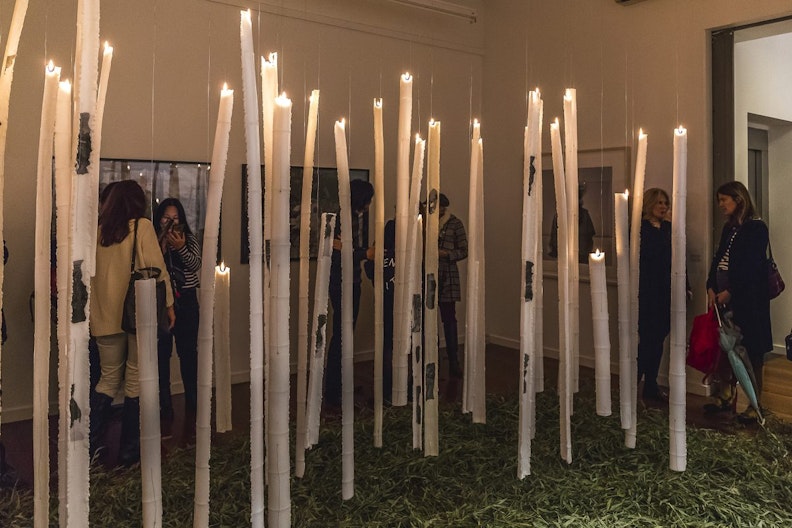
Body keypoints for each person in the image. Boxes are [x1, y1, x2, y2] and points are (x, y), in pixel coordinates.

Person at [90, 180, 175, 465]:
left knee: (107, 379)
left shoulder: (98, 232)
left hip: (103, 317)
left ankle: (89, 448)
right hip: (136, 315)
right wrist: (170, 306)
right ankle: (129, 452)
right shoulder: (141, 227)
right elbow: (155, 270)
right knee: (136, 379)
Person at [706, 181, 772, 423]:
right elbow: (719, 258)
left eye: (724, 200)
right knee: (725, 348)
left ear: (738, 199)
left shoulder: (756, 228)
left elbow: (751, 268)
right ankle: (725, 395)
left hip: (749, 302)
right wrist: (711, 285)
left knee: (752, 352)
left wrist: (731, 291)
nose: (721, 205)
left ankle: (755, 404)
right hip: (725, 300)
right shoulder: (729, 229)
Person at [153, 198, 201, 438]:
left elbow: (195, 265)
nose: (170, 223)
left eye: (175, 218)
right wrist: (161, 249)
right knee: (162, 355)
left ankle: (193, 399)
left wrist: (181, 247)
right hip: (162, 304)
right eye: (165, 218)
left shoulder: (189, 239)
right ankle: (164, 405)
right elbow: (151, 270)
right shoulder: (152, 241)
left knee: (188, 353)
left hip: (188, 302)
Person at [325, 179, 375, 407]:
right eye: (369, 200)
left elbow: (349, 249)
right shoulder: (343, 219)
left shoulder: (359, 217)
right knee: (341, 335)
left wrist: (359, 252)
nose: (371, 205)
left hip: (353, 280)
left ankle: (341, 384)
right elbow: (336, 253)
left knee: (346, 334)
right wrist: (365, 252)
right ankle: (333, 392)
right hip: (341, 283)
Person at [637, 188, 672, 403]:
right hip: (648, 290)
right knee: (647, 340)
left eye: (665, 203)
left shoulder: (668, 228)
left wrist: (684, 285)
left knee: (659, 338)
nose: (663, 207)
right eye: (659, 202)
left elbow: (676, 258)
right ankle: (636, 383)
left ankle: (651, 383)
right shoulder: (640, 229)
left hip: (665, 290)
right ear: (649, 204)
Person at [364, 218, 396, 401]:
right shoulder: (408, 253)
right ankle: (399, 384)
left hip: (384, 303)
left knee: (387, 345)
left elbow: (369, 270)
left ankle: (386, 386)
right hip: (401, 307)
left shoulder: (378, 255)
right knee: (399, 344)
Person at [437, 193, 467, 378]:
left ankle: (453, 359)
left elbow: (464, 250)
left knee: (449, 319)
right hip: (428, 276)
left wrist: (446, 254)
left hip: (448, 277)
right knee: (427, 321)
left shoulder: (455, 224)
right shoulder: (423, 223)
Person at [548, 182, 596, 263]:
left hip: (582, 256)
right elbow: (554, 237)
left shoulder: (584, 214)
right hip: (564, 258)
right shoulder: (559, 215)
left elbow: (590, 237)